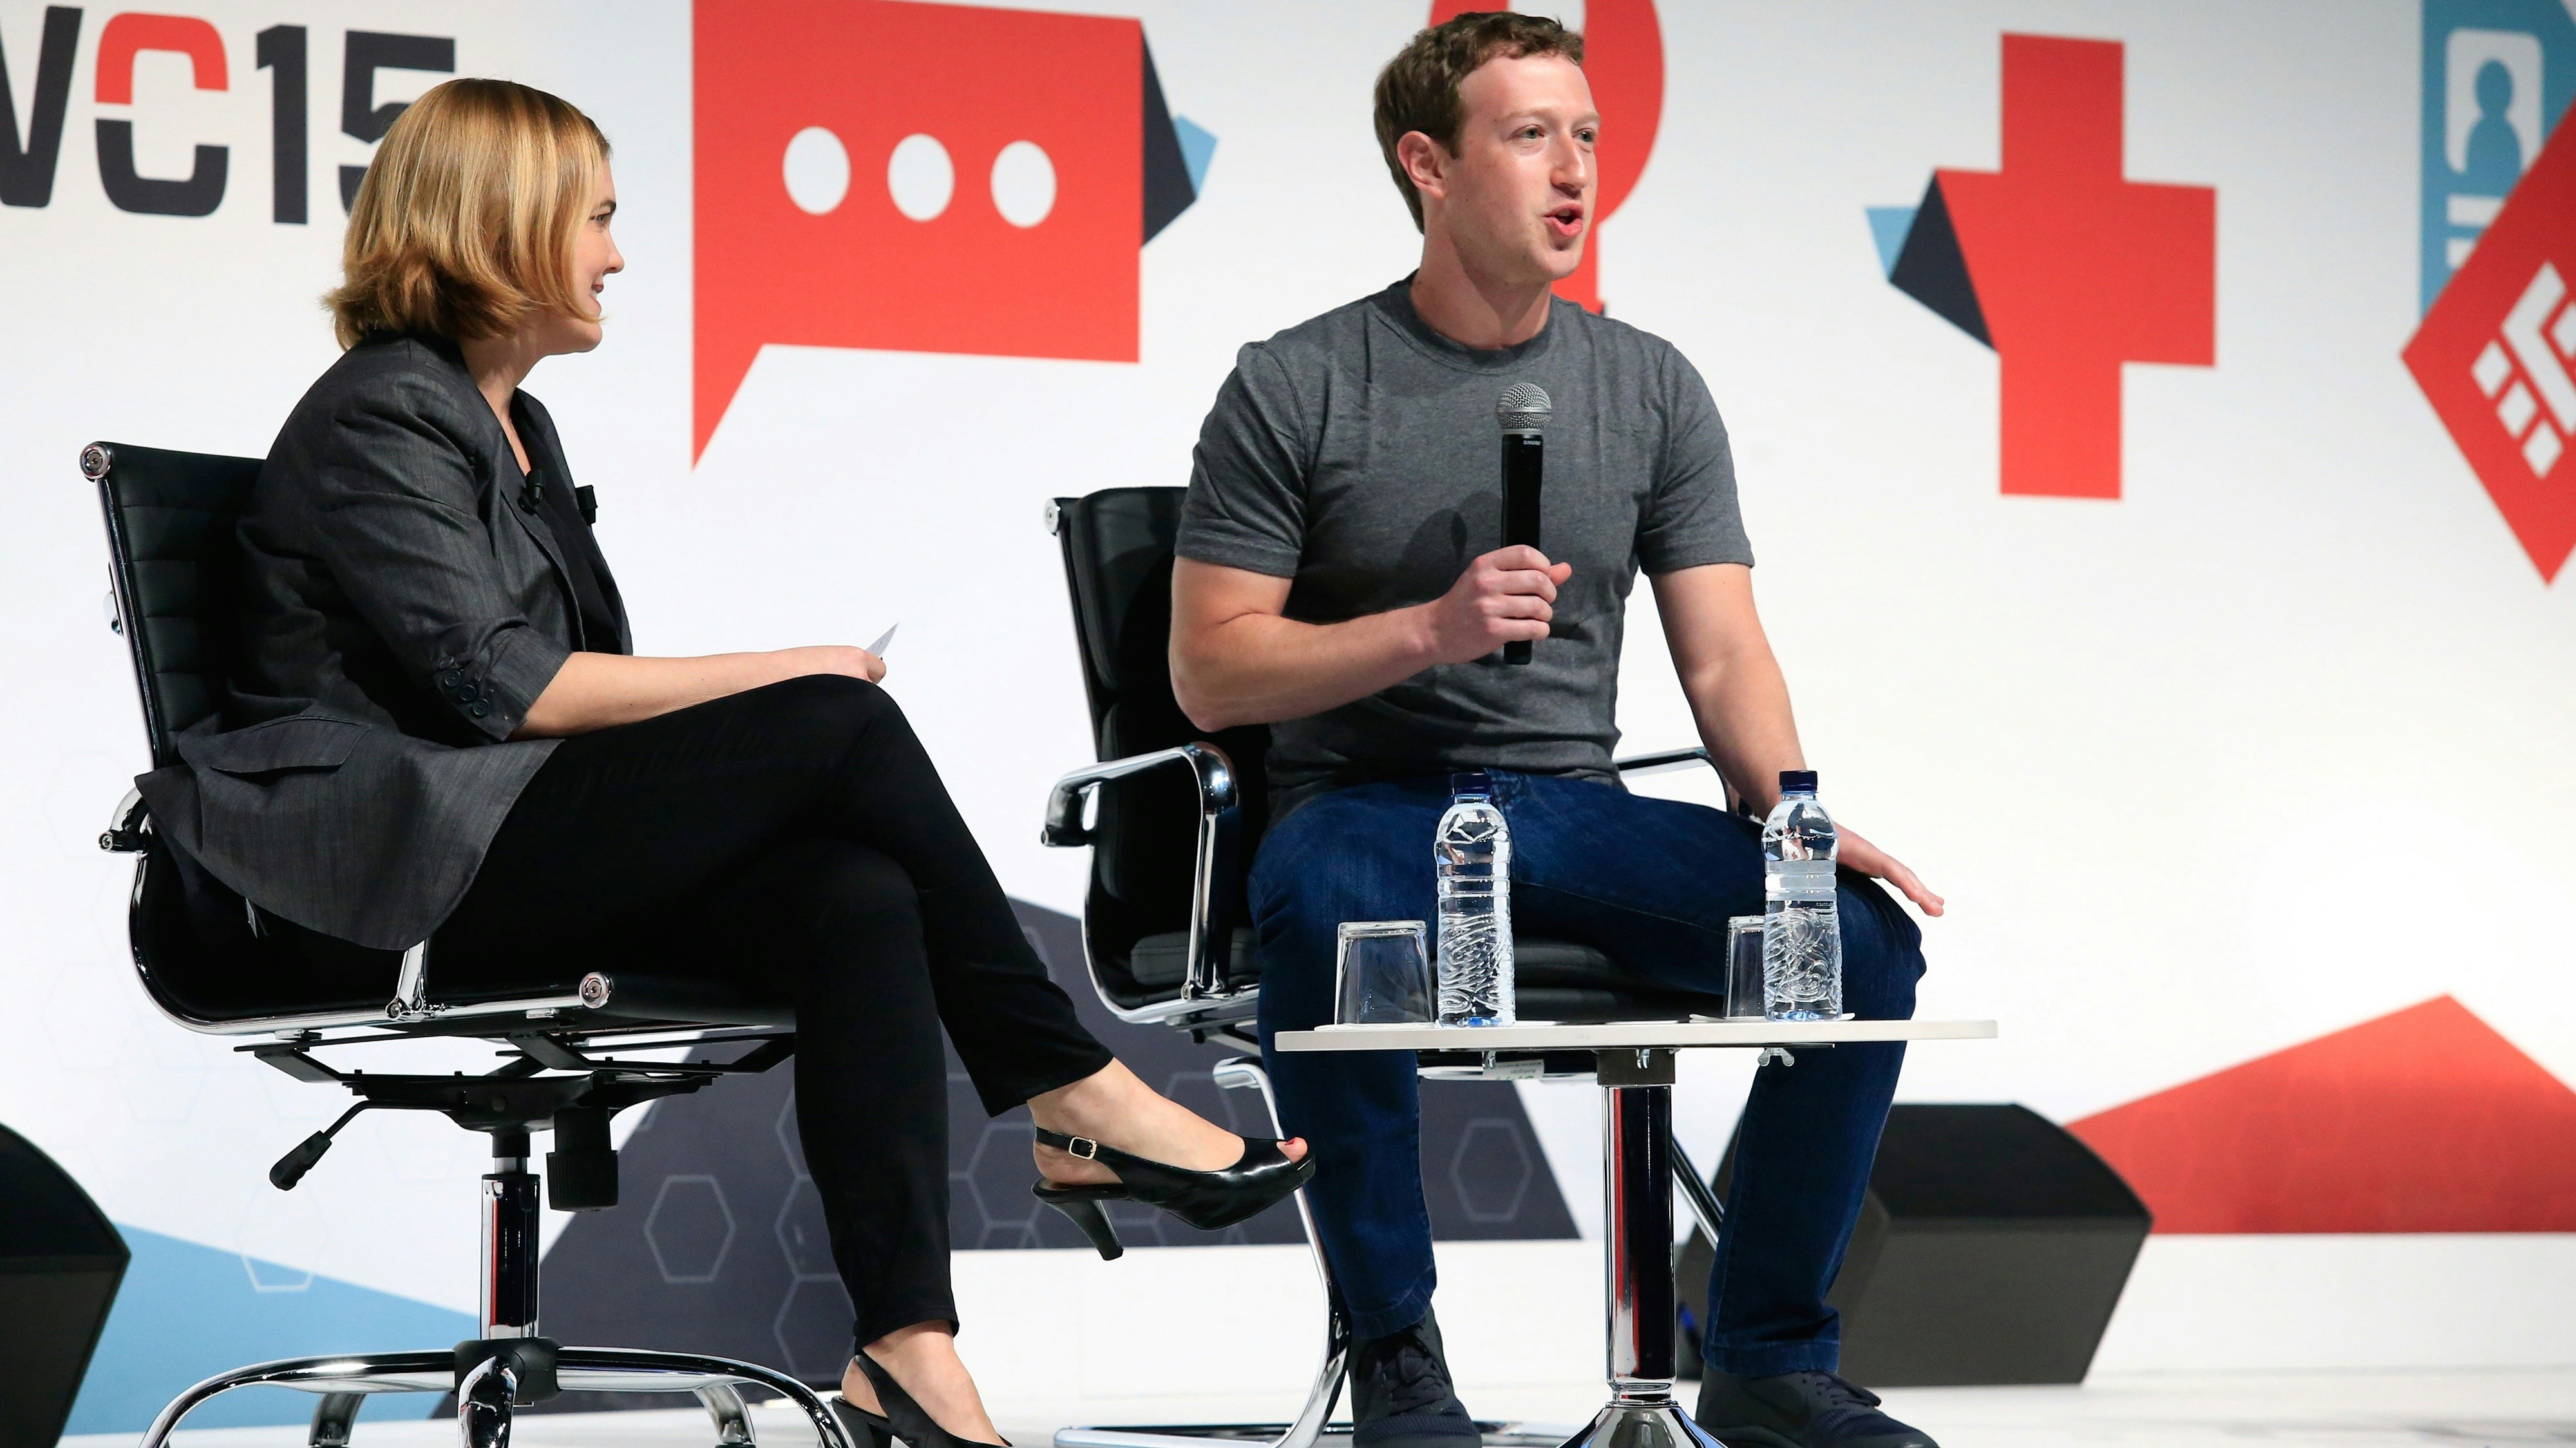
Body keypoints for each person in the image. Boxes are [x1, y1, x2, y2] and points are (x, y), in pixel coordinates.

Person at [133, 78, 1310, 1448]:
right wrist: (795, 672)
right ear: (498, 226)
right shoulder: (384, 412)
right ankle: (1071, 1089)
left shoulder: (509, 421)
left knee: (854, 896)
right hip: (385, 873)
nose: (616, 257)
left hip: (490, 835)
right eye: (596, 221)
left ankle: (905, 1352)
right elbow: (511, 690)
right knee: (838, 722)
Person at [1167, 16, 1943, 1448]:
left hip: (1565, 812)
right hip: (1371, 805)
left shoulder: (1648, 385)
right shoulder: (1295, 382)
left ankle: (1765, 1352)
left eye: (1584, 136)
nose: (1573, 171)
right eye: (1529, 137)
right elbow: (1211, 674)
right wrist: (1427, 630)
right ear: (1427, 166)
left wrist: (1789, 821)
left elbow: (1722, 654)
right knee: (1324, 901)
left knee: (1864, 940)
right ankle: (1396, 1352)